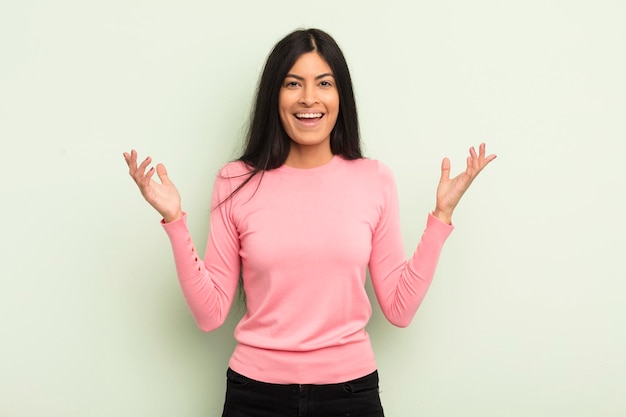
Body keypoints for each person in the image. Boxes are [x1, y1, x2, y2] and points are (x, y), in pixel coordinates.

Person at [123, 28, 495, 417]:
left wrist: (441, 218)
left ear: (340, 96)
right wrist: (174, 220)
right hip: (255, 396)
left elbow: (399, 310)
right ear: (275, 96)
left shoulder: (374, 180)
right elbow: (209, 313)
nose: (309, 98)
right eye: (293, 84)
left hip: (350, 396)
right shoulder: (234, 181)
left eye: (324, 83)